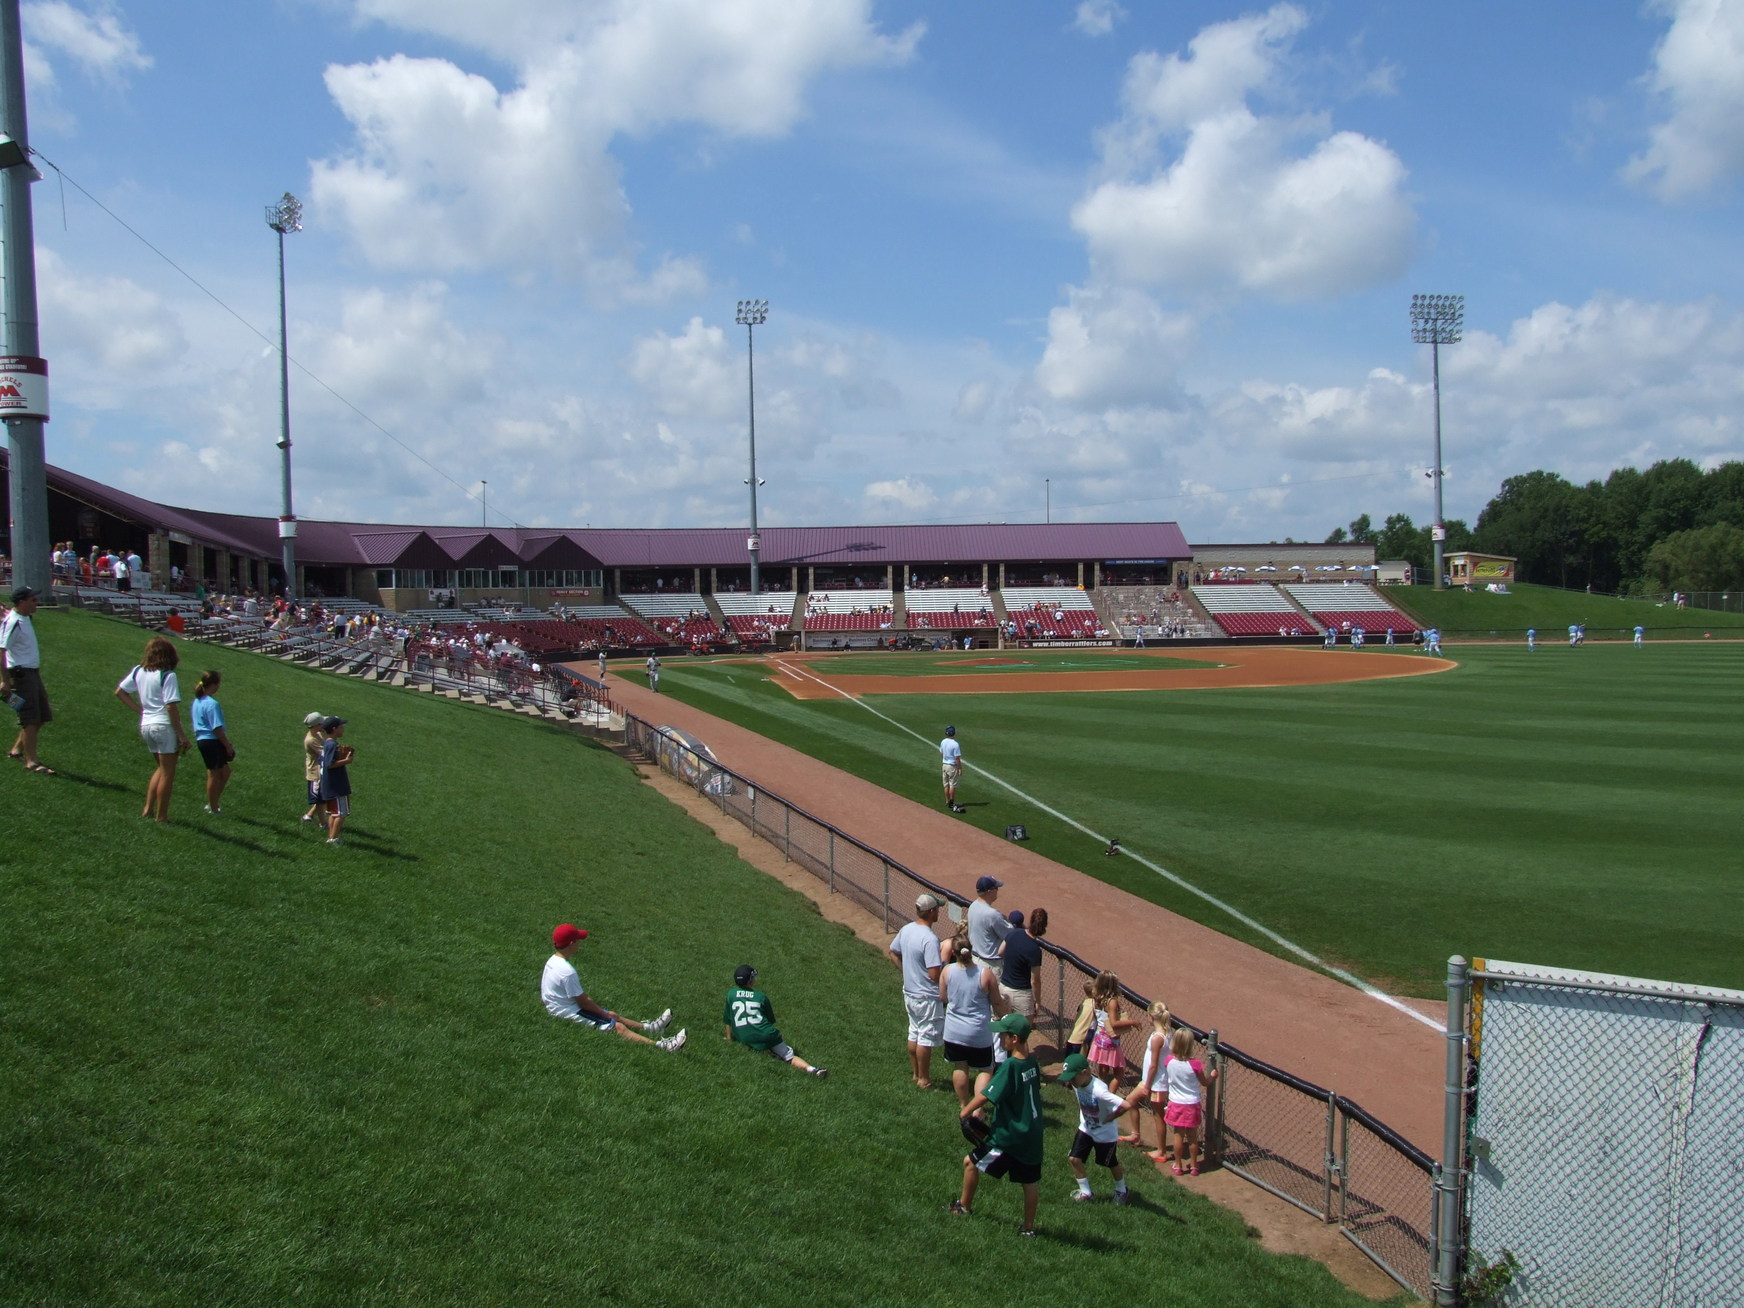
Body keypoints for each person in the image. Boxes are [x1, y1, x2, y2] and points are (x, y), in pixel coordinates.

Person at [946, 1013, 1044, 1236]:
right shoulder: (1031, 1063)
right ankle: (1028, 1228)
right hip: (1032, 1133)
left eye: (1003, 1034)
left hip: (1010, 1135)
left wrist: (966, 1110)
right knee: (1029, 1181)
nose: (1000, 1038)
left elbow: (987, 1095)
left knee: (970, 1163)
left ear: (1015, 1039)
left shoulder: (1010, 1066)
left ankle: (963, 1207)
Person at [540, 924, 685, 1050]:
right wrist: (602, 1013)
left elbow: (579, 997)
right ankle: (662, 1046)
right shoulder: (567, 972)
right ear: (571, 944)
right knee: (617, 1027)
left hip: (561, 1005)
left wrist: (601, 1010)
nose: (579, 943)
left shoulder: (553, 961)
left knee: (613, 1015)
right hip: (564, 1010)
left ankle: (651, 1028)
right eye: (577, 940)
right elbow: (582, 1002)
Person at [115, 636, 189, 822]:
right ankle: (161, 815)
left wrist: (141, 710)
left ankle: (148, 809)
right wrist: (181, 734)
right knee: (167, 772)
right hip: (162, 725)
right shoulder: (168, 675)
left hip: (146, 724)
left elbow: (121, 692)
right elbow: (171, 707)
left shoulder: (139, 671)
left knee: (161, 768)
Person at [721, 964, 826, 1077]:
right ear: (750, 981)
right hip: (766, 1034)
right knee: (788, 1055)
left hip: (744, 1037)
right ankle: (812, 1069)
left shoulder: (730, 994)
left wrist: (729, 1038)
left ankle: (768, 1051)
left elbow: (728, 1020)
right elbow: (770, 1020)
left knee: (764, 1046)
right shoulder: (760, 996)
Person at [1059, 1052, 1133, 1204]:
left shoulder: (1099, 1090)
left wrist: (1112, 1117)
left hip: (1104, 1134)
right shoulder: (1078, 1083)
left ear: (1085, 1072)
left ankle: (1122, 1190)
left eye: (1073, 1078)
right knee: (1074, 1158)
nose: (1071, 1082)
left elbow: (1126, 1104)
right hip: (1086, 1127)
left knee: (1109, 1162)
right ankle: (1086, 1192)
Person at [889, 893, 946, 1088]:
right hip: (927, 997)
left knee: (914, 1032)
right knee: (926, 1037)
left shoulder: (906, 929)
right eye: (937, 909)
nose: (939, 911)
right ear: (931, 912)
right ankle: (924, 1079)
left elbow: (892, 952)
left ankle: (915, 1074)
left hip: (910, 993)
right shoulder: (930, 939)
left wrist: (906, 972)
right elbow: (933, 974)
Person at [939, 941, 999, 1109]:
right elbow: (997, 1002)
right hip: (978, 1032)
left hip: (953, 1031)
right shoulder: (984, 973)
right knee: (986, 1070)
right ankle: (977, 1109)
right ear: (971, 951)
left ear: (954, 952)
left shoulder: (947, 971)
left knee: (960, 1066)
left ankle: (964, 1105)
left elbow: (943, 997)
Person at [2, 586, 53, 773]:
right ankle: (32, 762)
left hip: (33, 674)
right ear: (22, 602)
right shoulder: (13, 622)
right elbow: (1, 650)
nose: (36, 603)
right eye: (32, 600)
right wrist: (5, 681)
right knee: (30, 717)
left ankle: (17, 750)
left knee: (42, 715)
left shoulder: (24, 617)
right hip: (21, 675)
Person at [1161, 1026, 1216, 1175]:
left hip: (1176, 1103)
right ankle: (1194, 1166)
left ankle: (1178, 1166)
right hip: (1191, 1104)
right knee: (1193, 1138)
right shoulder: (1195, 1064)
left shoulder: (1169, 1061)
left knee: (1178, 1135)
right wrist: (1213, 1076)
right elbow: (1205, 1082)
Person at [1127, 1001, 1174, 1155]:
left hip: (1156, 1083)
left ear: (1152, 1016)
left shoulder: (1158, 1038)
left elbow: (1153, 1065)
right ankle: (1135, 1136)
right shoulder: (1166, 1033)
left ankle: (1161, 1151)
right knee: (1131, 1100)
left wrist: (1147, 1085)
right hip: (1151, 1080)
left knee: (1158, 1116)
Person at [1086, 970, 1138, 1097]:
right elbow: (1114, 1023)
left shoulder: (1095, 999)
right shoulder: (1112, 1001)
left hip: (1099, 1039)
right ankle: (1108, 1097)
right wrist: (1132, 1022)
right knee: (1119, 1073)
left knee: (1103, 1072)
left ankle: (1099, 1095)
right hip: (1110, 1042)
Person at [190, 670, 235, 814]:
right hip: (211, 740)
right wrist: (227, 745)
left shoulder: (198, 701)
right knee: (214, 774)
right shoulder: (212, 704)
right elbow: (216, 728)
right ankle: (213, 807)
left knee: (225, 772)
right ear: (214, 685)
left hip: (204, 740)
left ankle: (213, 801)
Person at [997, 907, 1046, 1020]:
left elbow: (1000, 952)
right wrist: (1037, 1001)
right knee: (1021, 1032)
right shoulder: (1034, 949)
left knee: (1003, 1028)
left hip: (1004, 987)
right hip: (1021, 995)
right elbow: (1035, 980)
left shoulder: (1014, 933)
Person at [317, 716, 354, 846]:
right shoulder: (332, 744)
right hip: (337, 785)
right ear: (334, 729)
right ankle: (333, 839)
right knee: (340, 814)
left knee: (334, 813)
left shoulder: (327, 743)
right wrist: (347, 760)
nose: (343, 729)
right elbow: (330, 764)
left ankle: (331, 837)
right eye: (341, 727)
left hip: (330, 785)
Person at [301, 711, 327, 822]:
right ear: (316, 725)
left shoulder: (318, 734)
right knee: (320, 800)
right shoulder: (311, 740)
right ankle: (323, 823)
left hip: (321, 770)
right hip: (315, 773)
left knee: (323, 798)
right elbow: (324, 754)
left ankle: (308, 816)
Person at [940, 724, 964, 813]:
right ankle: (951, 802)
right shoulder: (955, 744)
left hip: (944, 765)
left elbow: (941, 753)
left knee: (946, 784)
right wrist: (960, 768)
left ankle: (947, 801)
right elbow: (957, 758)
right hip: (952, 766)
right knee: (952, 785)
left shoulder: (943, 741)